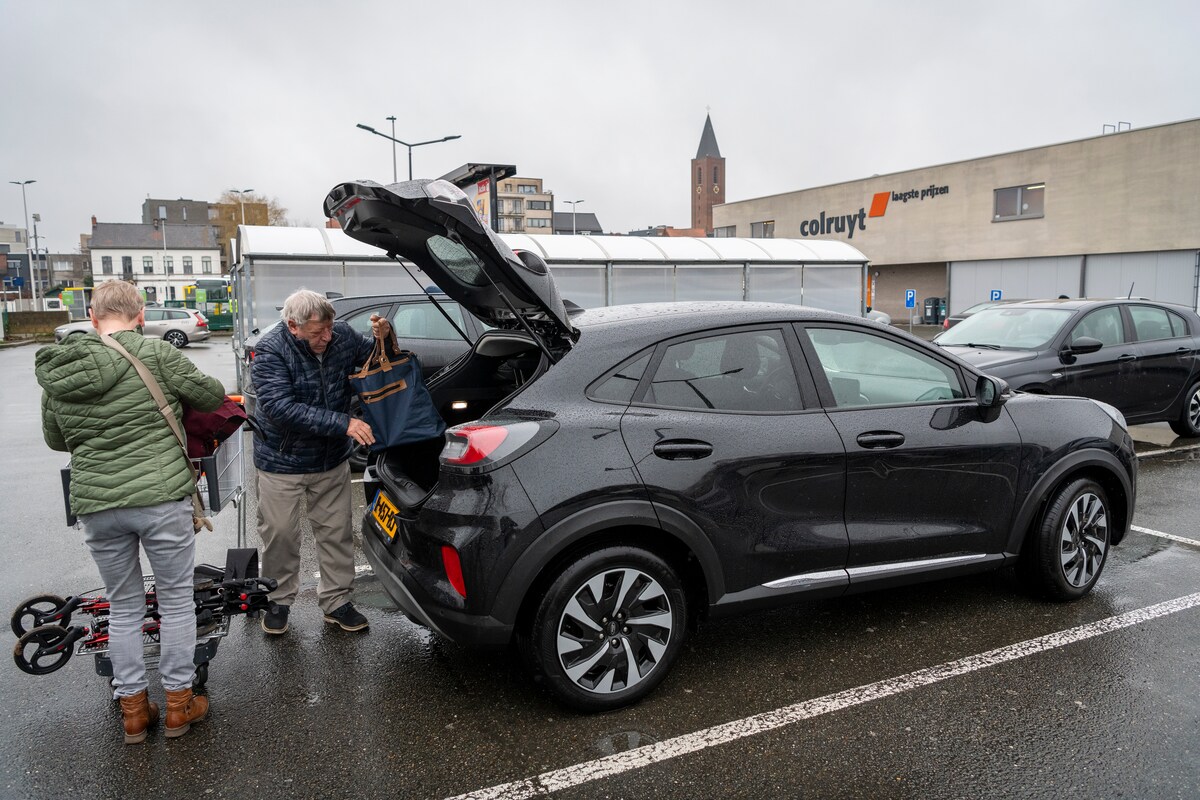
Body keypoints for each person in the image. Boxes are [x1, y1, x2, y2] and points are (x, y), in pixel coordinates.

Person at [36, 280, 225, 744]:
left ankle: (135, 713)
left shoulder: (62, 368)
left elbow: (57, 439)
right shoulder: (155, 353)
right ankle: (180, 705)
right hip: (161, 497)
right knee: (177, 601)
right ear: (139, 314)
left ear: (93, 316)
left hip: (98, 504)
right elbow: (211, 394)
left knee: (123, 607)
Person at [252, 288, 392, 635]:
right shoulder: (271, 351)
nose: (327, 338)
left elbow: (376, 360)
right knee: (281, 534)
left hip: (330, 460)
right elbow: (280, 409)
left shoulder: (340, 335)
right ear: (293, 326)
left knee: (337, 533)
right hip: (282, 461)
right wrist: (344, 423)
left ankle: (337, 602)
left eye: (329, 329)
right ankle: (279, 601)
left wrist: (385, 338)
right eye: (318, 332)